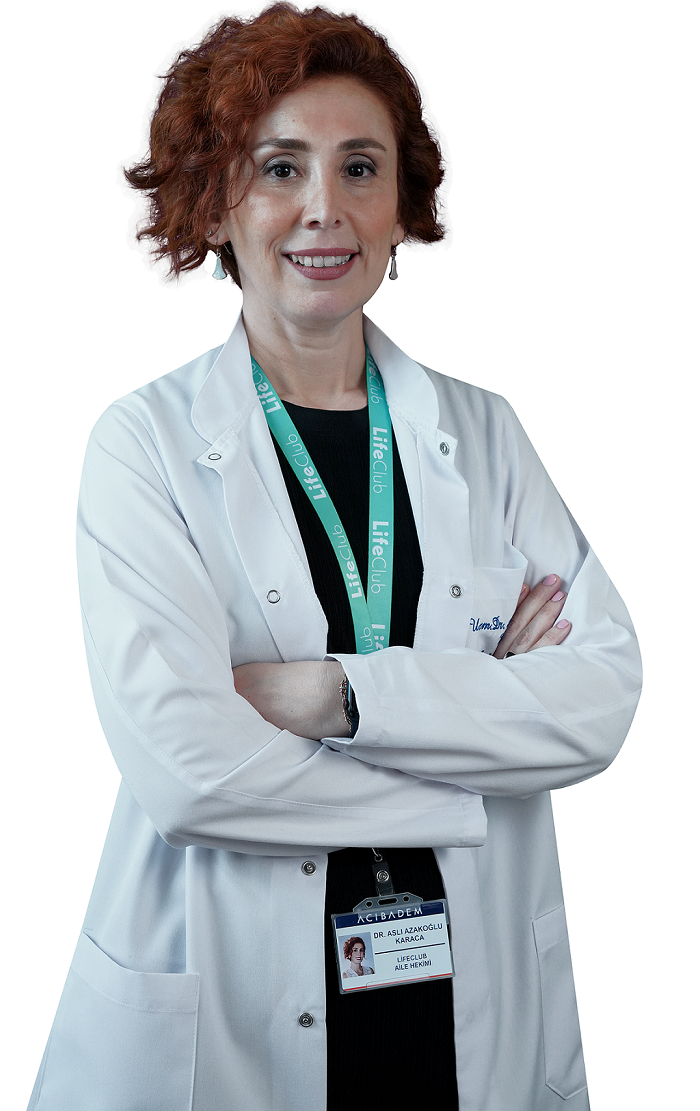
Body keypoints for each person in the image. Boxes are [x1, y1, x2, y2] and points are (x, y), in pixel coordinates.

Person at [27, 5, 641, 1110]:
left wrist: (331, 697)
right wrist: (472, 760)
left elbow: (598, 697)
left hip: (467, 1008)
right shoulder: (145, 445)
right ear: (214, 201)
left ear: (401, 206)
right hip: (228, 1004)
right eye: (280, 168)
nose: (325, 207)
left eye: (361, 167)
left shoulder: (485, 434)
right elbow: (190, 774)